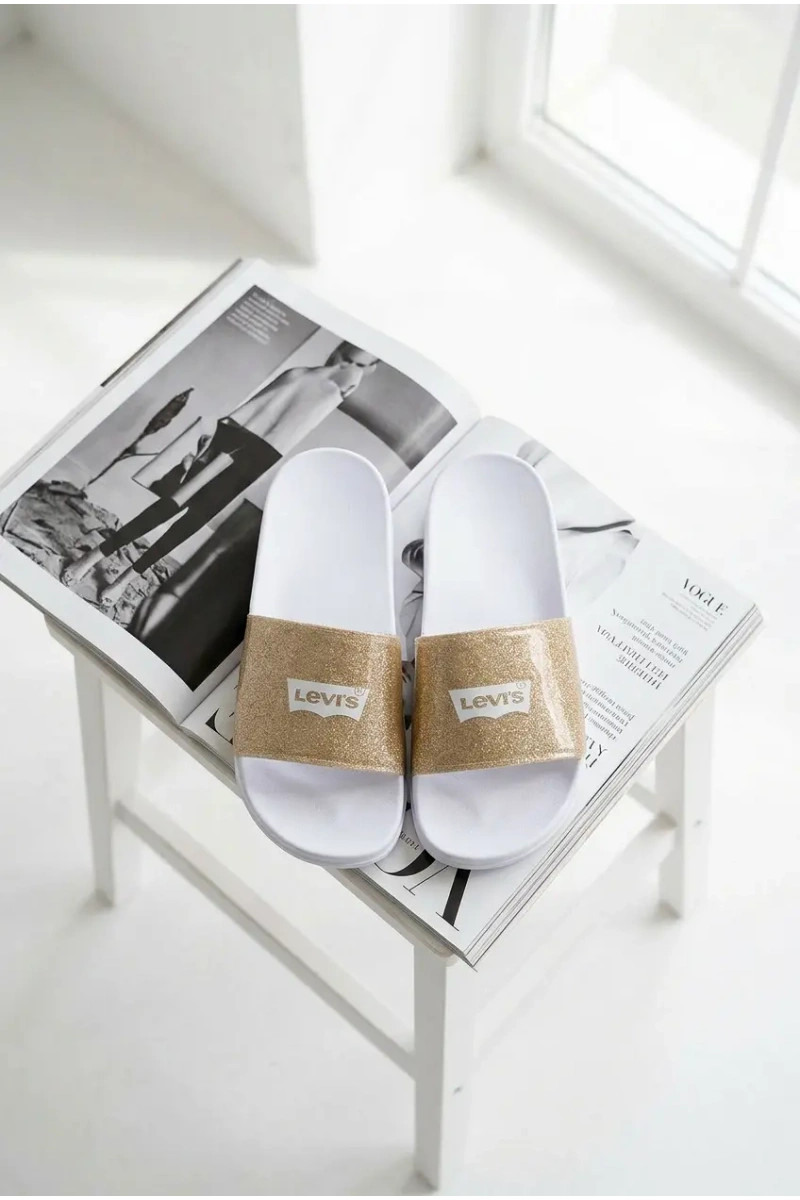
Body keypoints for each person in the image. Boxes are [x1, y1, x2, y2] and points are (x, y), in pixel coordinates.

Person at [62, 342, 379, 608]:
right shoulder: (300, 375)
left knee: (194, 519)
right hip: (237, 436)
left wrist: (348, 374)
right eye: (348, 359)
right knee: (170, 506)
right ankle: (94, 557)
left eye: (358, 365)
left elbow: (332, 395)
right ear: (338, 354)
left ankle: (126, 578)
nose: (349, 370)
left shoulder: (339, 388)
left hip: (263, 453)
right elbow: (249, 411)